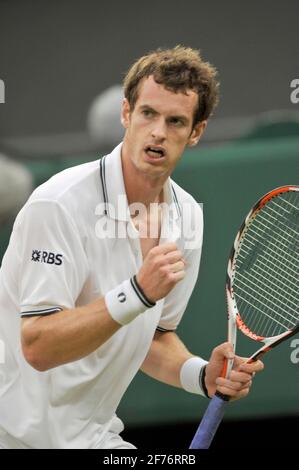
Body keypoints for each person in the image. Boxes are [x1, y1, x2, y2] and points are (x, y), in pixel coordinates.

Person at [0, 46, 263, 449]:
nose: (158, 131)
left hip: (93, 437)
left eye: (176, 121)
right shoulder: (58, 204)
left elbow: (151, 338)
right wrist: (137, 292)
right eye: (148, 114)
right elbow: (38, 345)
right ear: (126, 114)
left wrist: (200, 376)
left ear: (196, 132)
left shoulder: (187, 215)